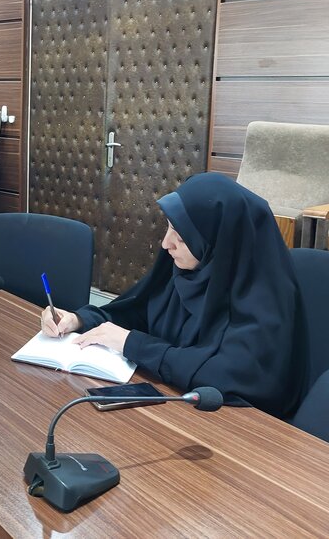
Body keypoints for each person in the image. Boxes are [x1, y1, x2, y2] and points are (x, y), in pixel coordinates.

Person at [41, 173, 306, 417]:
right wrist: (79, 319)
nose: (166, 243)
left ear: (218, 240)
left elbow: (226, 377)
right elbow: (138, 312)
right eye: (168, 227)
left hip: (239, 428)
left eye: (181, 235)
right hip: (175, 409)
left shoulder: (266, 298)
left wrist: (136, 345)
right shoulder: (188, 269)